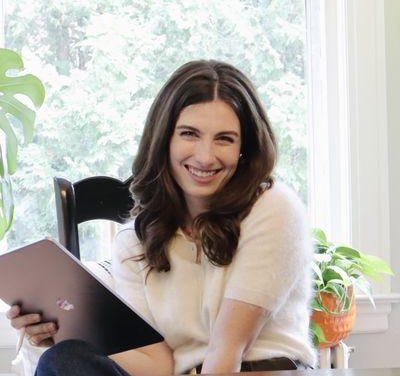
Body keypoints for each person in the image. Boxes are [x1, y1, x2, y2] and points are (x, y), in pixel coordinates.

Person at [6, 59, 317, 375]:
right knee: (64, 358)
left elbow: (226, 356)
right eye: (189, 134)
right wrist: (62, 332)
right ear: (164, 139)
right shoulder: (136, 240)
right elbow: (158, 366)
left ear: (243, 149)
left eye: (225, 138)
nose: (205, 156)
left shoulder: (273, 208)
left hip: (253, 370)